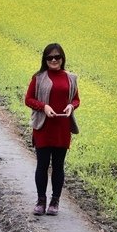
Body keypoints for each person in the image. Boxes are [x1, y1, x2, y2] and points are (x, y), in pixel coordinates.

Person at [24, 43, 80, 216]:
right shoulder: (39, 78)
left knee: (58, 166)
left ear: (62, 58)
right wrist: (44, 107)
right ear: (45, 60)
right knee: (42, 165)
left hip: (62, 127)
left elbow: (76, 99)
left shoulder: (70, 78)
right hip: (43, 127)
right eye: (50, 58)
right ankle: (41, 201)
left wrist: (71, 106)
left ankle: (55, 202)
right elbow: (28, 99)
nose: (54, 60)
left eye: (57, 57)